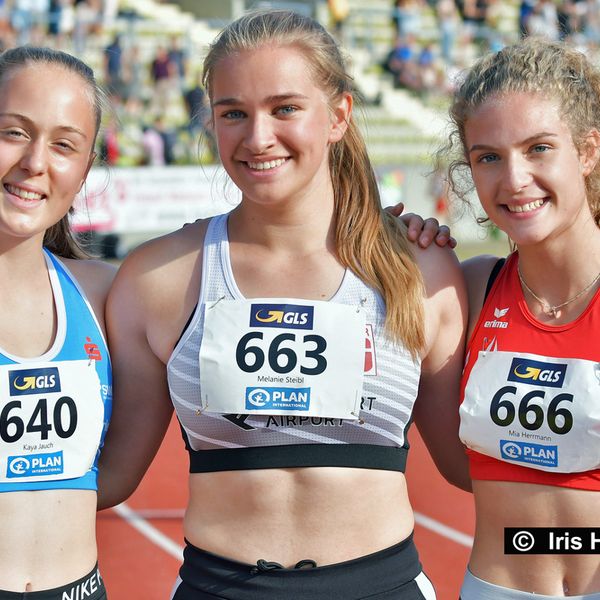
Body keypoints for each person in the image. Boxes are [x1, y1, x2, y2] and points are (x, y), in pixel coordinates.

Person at [99, 10, 469, 599]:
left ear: (339, 115)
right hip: (216, 588)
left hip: (384, 586)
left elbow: (474, 468)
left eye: (285, 108)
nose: (258, 137)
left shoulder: (419, 270)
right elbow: (108, 477)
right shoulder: (159, 279)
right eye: (233, 113)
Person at [443, 38, 600, 598]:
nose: (513, 180)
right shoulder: (466, 288)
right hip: (495, 588)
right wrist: (401, 241)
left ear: (586, 152)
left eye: (538, 149)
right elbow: (450, 463)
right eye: (488, 157)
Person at [0, 47, 114, 598]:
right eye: (14, 132)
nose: (35, 161)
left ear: (86, 167)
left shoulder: (105, 294)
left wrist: (379, 232)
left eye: (64, 145)